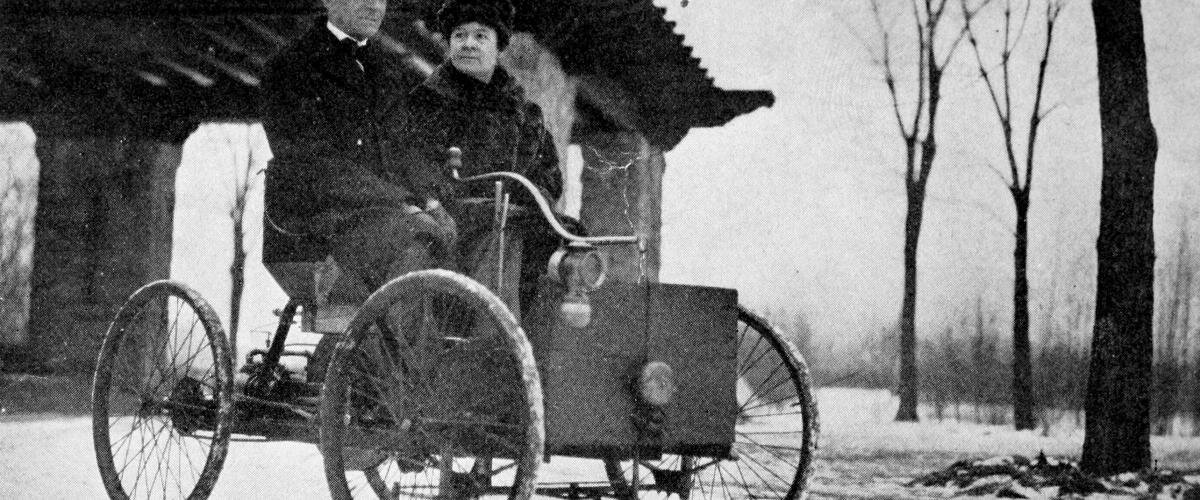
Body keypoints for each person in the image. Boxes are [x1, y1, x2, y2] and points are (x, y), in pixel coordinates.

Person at [261, 0, 457, 291]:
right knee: (420, 238)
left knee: (482, 226)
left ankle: (474, 318)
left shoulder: (387, 69)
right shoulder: (289, 67)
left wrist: (430, 200)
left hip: (385, 213)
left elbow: (404, 148)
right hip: (318, 221)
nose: (374, 6)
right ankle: (399, 322)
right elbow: (314, 163)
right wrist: (402, 203)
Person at [393, 0, 570, 318]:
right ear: (449, 42)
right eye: (459, 35)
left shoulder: (525, 113)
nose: (469, 44)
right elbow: (410, 166)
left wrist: (527, 198)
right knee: (502, 227)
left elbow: (548, 177)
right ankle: (496, 332)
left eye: (480, 36)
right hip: (448, 218)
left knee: (568, 238)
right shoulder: (424, 103)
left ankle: (549, 335)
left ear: (499, 45)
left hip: (512, 213)